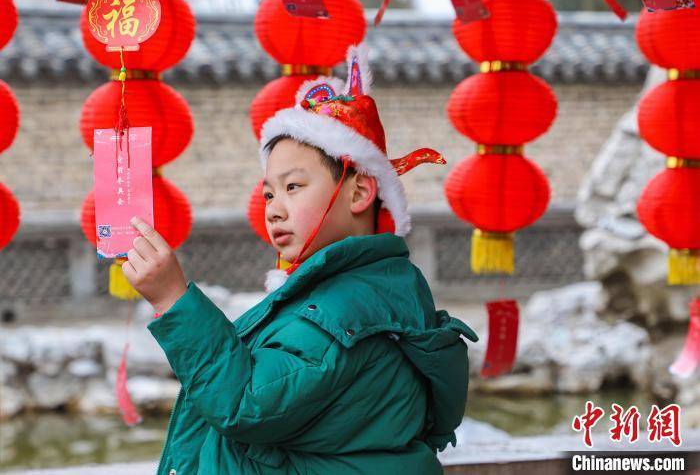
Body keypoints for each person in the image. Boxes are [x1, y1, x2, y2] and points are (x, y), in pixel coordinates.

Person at [123, 43, 479, 475]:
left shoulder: (344, 311)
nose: (273, 208)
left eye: (293, 187)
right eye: (269, 193)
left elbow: (246, 403)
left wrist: (174, 300)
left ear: (360, 192)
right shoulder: (364, 290)